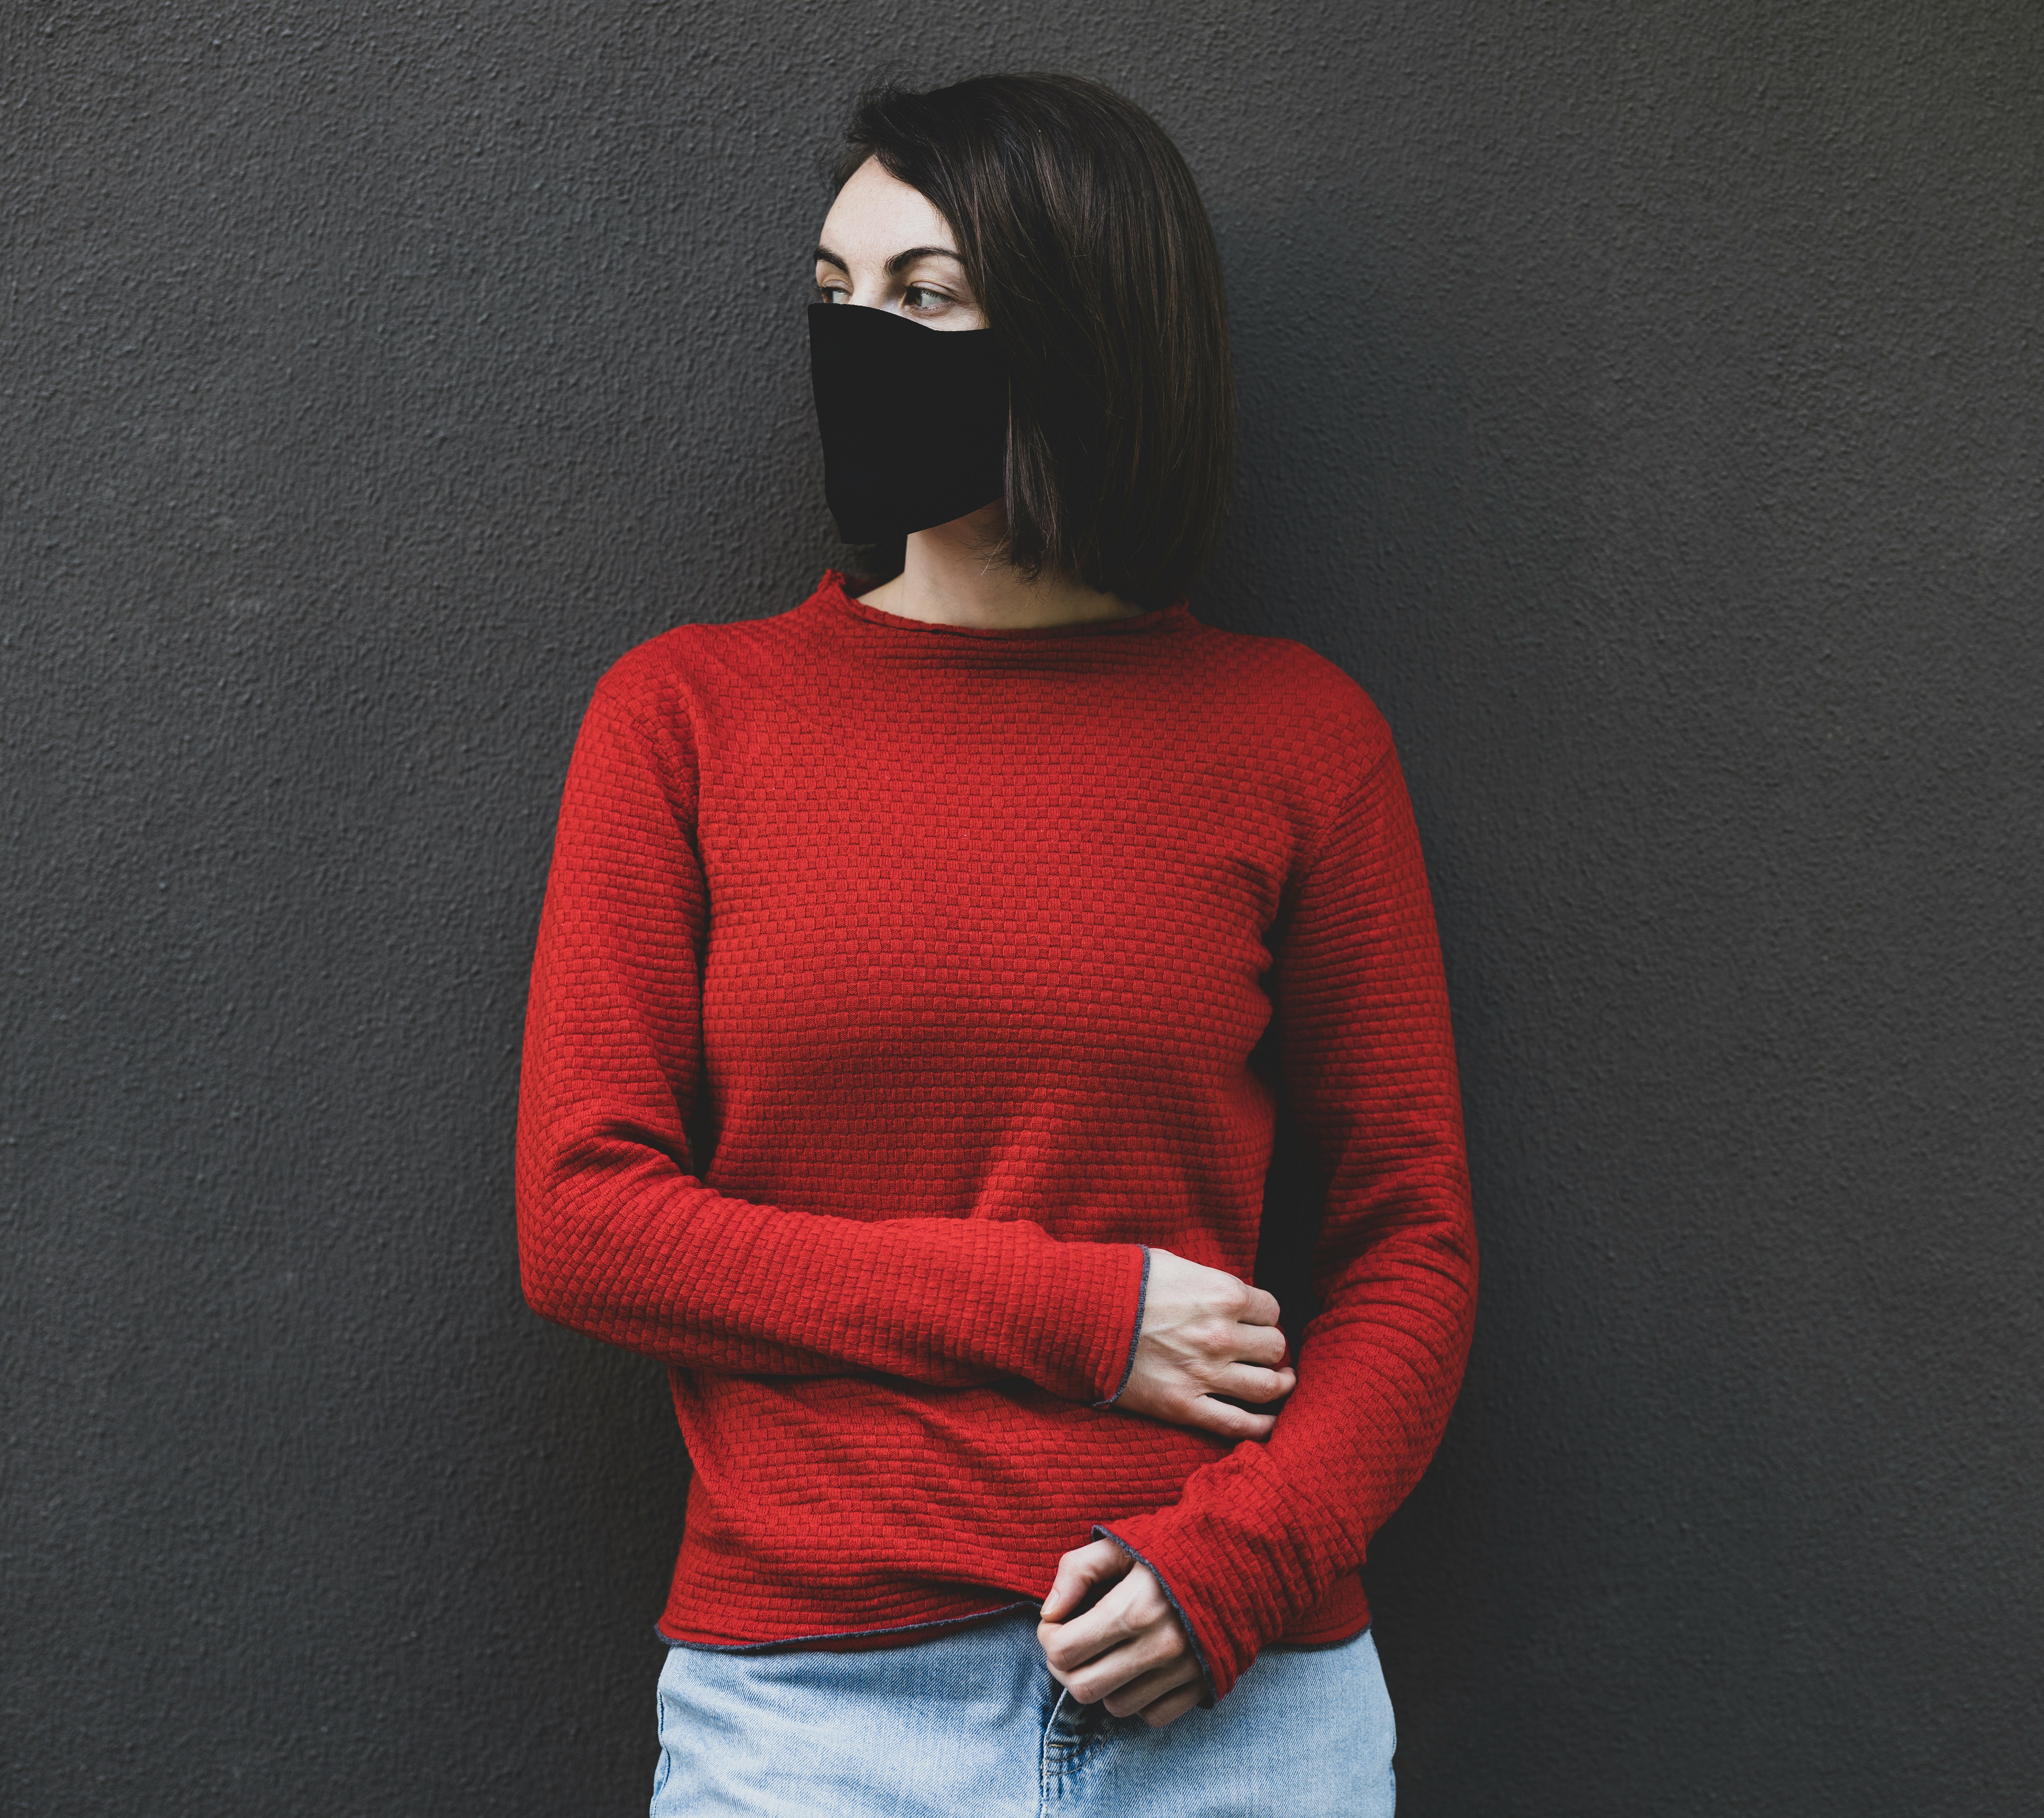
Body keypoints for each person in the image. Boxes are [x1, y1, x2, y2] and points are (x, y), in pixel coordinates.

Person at [515, 71, 1477, 1816]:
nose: (858, 342)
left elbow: (1411, 1245)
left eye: (925, 298)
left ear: (1081, 333)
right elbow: (586, 1220)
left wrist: (1245, 1565)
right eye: (834, 295)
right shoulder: (687, 718)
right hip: (810, 1713)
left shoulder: (1293, 737)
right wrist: (1077, 1312)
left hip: (1235, 1707)